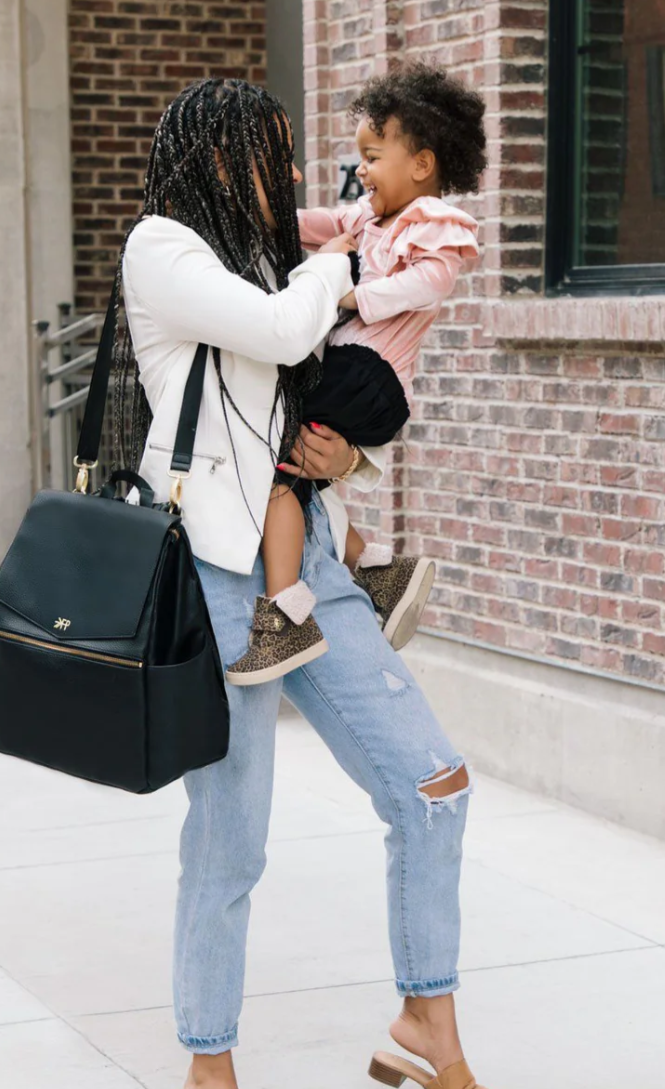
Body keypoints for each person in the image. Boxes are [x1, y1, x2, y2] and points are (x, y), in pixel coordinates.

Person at [116, 77, 511, 1089]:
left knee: (432, 783)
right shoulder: (166, 248)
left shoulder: (270, 255)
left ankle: (425, 1021)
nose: (291, 175)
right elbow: (292, 324)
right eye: (271, 153)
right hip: (218, 582)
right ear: (216, 152)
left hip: (311, 562)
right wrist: (355, 248)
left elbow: (313, 389)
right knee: (230, 836)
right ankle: (208, 1058)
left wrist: (348, 451)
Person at [225, 61, 486, 686]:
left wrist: (349, 296)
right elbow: (307, 223)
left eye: (372, 156)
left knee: (277, 464)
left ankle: (286, 616)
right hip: (350, 368)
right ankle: (377, 570)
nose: (361, 171)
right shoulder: (365, 221)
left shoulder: (432, 222)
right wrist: (260, 210)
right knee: (291, 466)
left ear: (420, 164)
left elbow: (430, 284)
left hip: (373, 375)